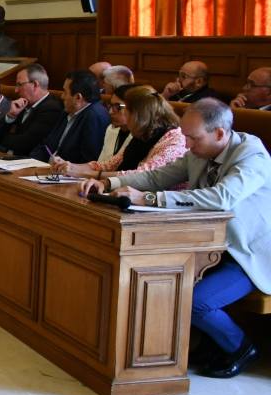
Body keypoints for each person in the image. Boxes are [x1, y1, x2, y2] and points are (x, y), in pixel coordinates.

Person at [80, 99, 270, 378]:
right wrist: (110, 183)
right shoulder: (199, 150)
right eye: (186, 137)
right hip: (207, 243)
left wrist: (148, 199)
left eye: (194, 138)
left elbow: (222, 198)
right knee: (158, 282)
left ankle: (240, 346)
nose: (188, 146)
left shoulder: (251, 155)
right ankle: (205, 345)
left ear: (219, 133)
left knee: (193, 300)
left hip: (248, 251)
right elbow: (158, 176)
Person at [52, 85, 185, 181]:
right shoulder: (143, 134)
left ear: (139, 116)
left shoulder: (173, 139)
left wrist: (85, 174)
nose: (126, 119)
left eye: (126, 113)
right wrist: (70, 166)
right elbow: (109, 165)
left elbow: (141, 176)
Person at [30, 70, 109, 164]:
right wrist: (30, 162)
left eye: (65, 92)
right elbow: (46, 145)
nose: (62, 96)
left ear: (78, 97)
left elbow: (88, 161)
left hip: (68, 175)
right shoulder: (68, 110)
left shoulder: (95, 117)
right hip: (47, 169)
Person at [0, 63, 64, 156]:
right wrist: (11, 115)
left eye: (19, 85)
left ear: (35, 85)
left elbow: (24, 144)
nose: (16, 90)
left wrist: (2, 137)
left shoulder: (52, 109)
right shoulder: (24, 103)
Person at [96, 83, 134, 164]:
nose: (110, 112)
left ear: (134, 108)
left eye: (118, 107)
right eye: (111, 106)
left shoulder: (140, 137)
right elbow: (101, 163)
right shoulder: (111, 129)